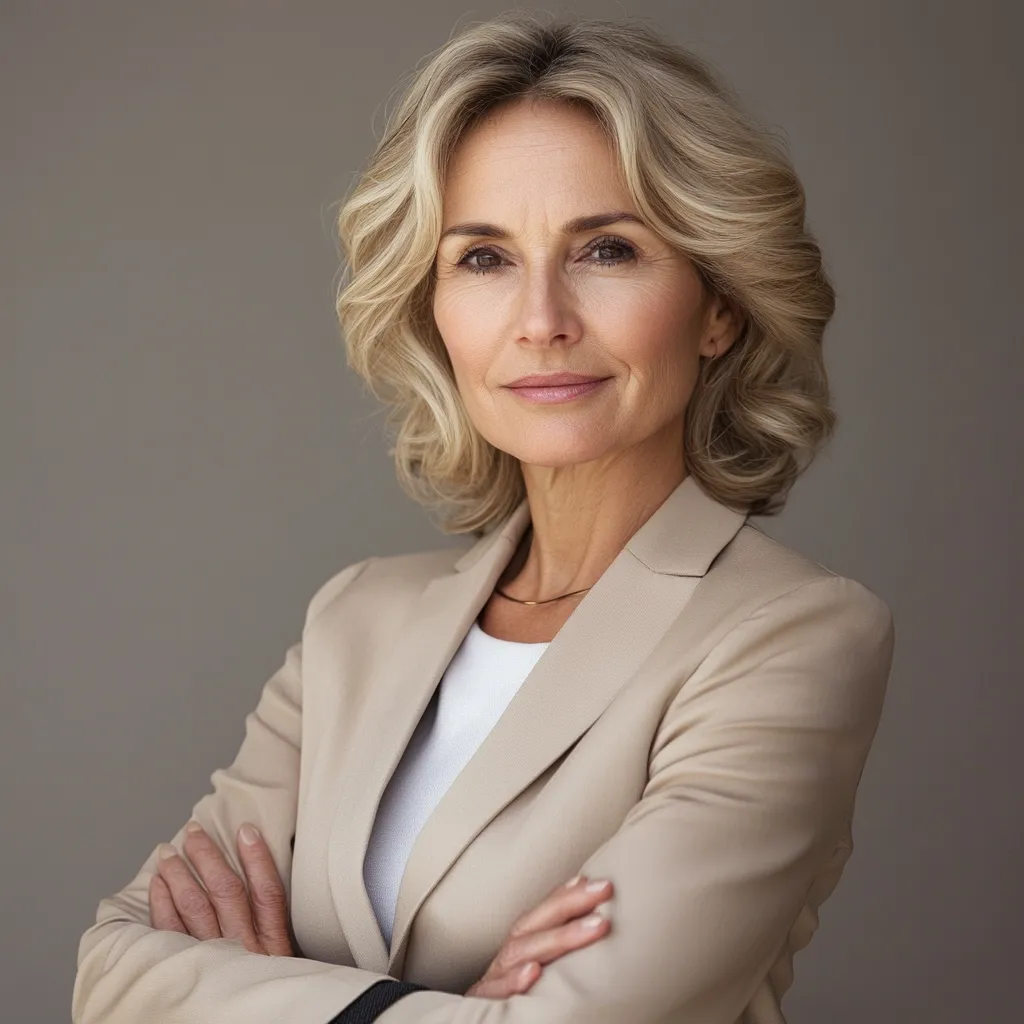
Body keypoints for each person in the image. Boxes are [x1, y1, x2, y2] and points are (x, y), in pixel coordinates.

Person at [72, 11, 895, 1024]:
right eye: (482, 258)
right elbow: (111, 968)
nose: (540, 319)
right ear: (433, 310)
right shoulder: (354, 621)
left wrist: (280, 993)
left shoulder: (791, 636)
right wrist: (448, 1005)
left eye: (606, 248)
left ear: (716, 306)